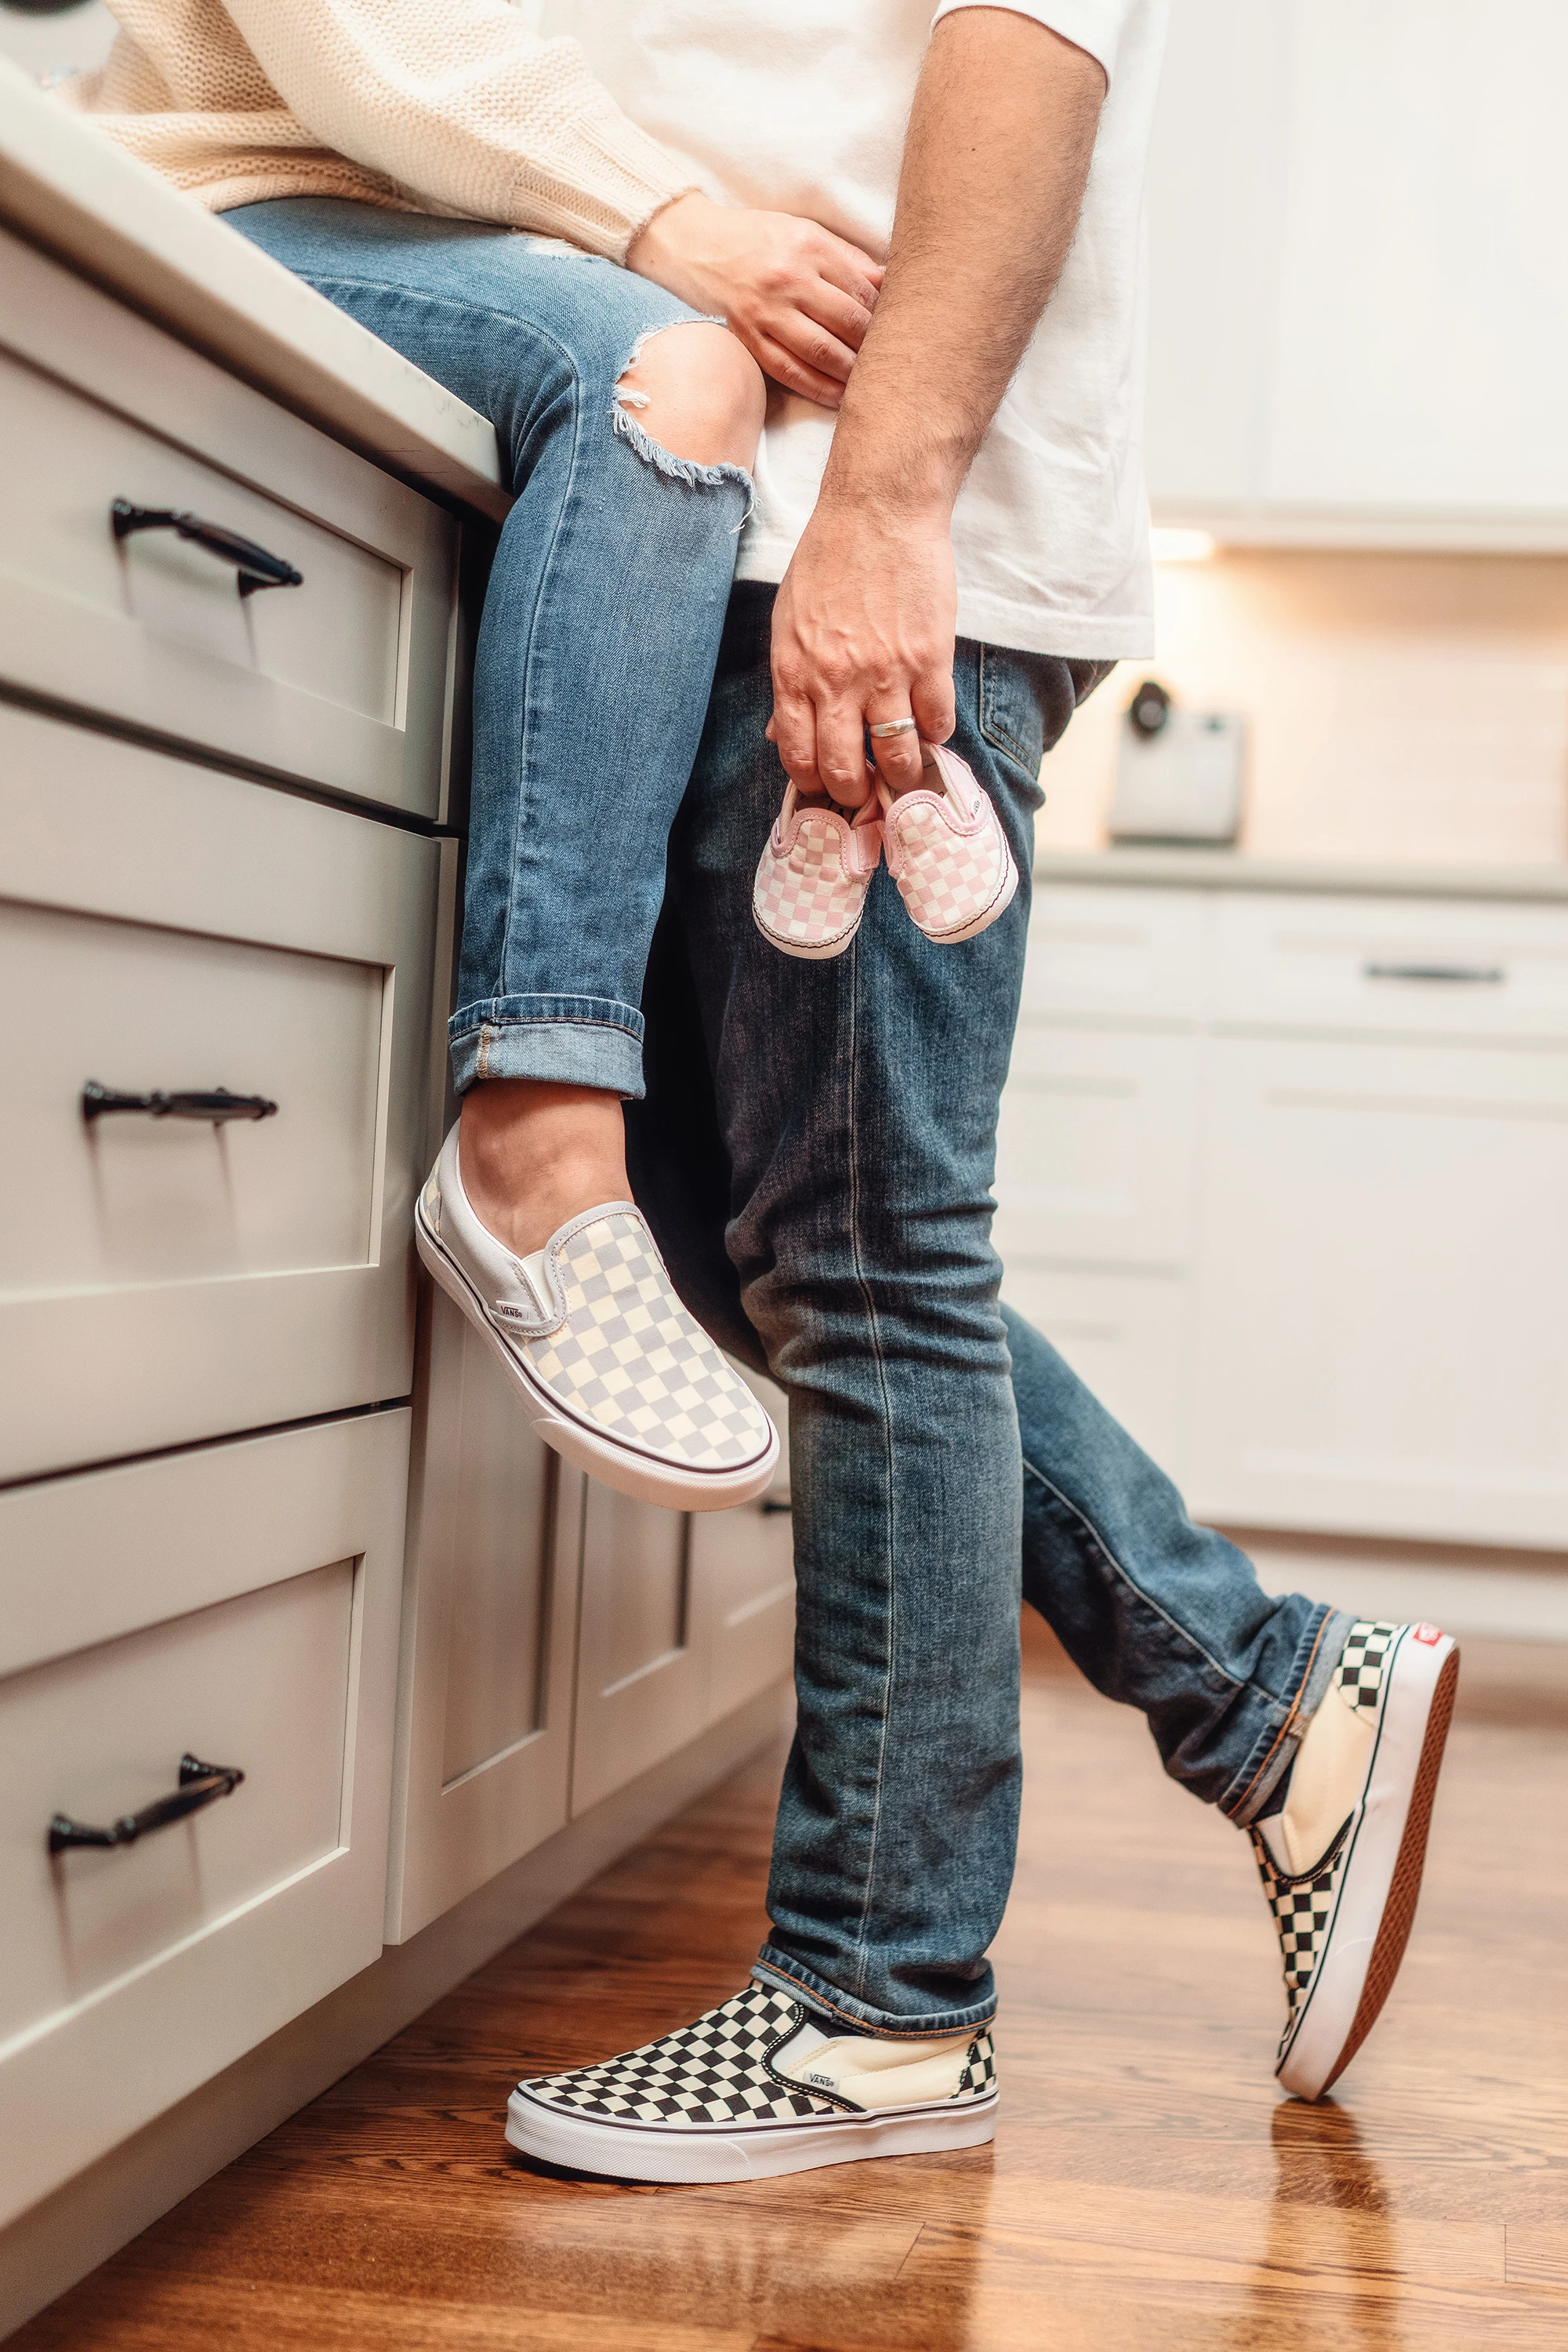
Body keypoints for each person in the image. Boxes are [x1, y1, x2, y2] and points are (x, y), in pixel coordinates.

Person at [66, 0, 1461, 2185]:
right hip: (787, 527)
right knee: (770, 1243)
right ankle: (1270, 1694)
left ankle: (881, 2005)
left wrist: (890, 511)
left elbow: (1032, 43)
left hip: (847, 532)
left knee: (866, 1259)